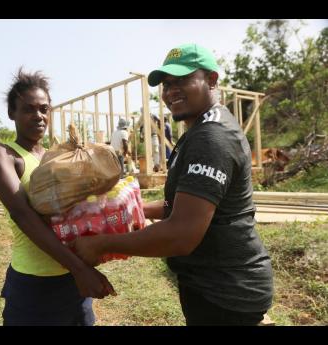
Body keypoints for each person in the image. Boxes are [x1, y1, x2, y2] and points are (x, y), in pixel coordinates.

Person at [73, 44, 274, 326]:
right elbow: (181, 207)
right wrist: (136, 209)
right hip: (218, 286)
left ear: (212, 80)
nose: (170, 91)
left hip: (226, 295)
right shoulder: (202, 129)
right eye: (167, 84)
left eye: (182, 80)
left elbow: (181, 234)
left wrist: (101, 244)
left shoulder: (210, 139)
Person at [0, 67, 115, 326]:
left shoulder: (59, 157)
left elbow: (83, 210)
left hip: (72, 281)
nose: (38, 116)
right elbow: (23, 216)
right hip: (33, 285)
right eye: (28, 109)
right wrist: (80, 269)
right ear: (12, 113)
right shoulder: (3, 155)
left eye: (44, 109)